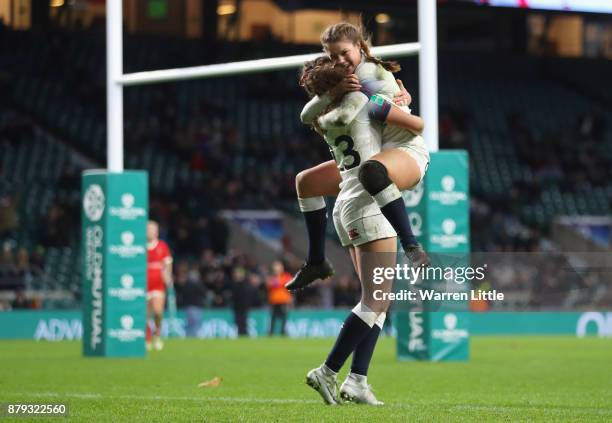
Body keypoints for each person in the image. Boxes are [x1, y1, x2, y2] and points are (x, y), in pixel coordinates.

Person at [286, 22, 430, 291]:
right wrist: (332, 94)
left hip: (404, 151)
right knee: (306, 182)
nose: (339, 61)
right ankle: (316, 261)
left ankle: (411, 245)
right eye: (333, 57)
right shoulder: (348, 84)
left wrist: (402, 105)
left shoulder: (365, 76)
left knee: (371, 171)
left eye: (343, 53)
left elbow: (379, 108)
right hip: (374, 152)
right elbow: (306, 114)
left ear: (360, 47)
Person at [299, 57, 402, 406]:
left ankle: (357, 379)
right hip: (369, 204)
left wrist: (329, 97)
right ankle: (327, 371)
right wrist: (397, 102)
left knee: (377, 300)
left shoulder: (321, 118)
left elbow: (309, 115)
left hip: (349, 200)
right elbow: (396, 114)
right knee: (376, 300)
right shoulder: (357, 103)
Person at [146, 220, 173, 351]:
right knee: (145, 314)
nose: (150, 232)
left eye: (152, 229)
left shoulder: (162, 246)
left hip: (157, 284)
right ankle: (147, 338)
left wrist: (167, 275)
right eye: (148, 229)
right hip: (144, 285)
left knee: (157, 311)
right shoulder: (140, 246)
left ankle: (157, 335)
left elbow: (167, 263)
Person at [266, 260, 292, 336]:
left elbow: (288, 284)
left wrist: (277, 283)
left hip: (284, 301)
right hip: (274, 301)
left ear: (282, 267)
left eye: (278, 266)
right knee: (273, 318)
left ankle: (283, 333)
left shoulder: (286, 276)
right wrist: (277, 283)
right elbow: (269, 285)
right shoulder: (272, 277)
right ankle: (270, 333)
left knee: (284, 318)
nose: (277, 268)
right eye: (275, 266)